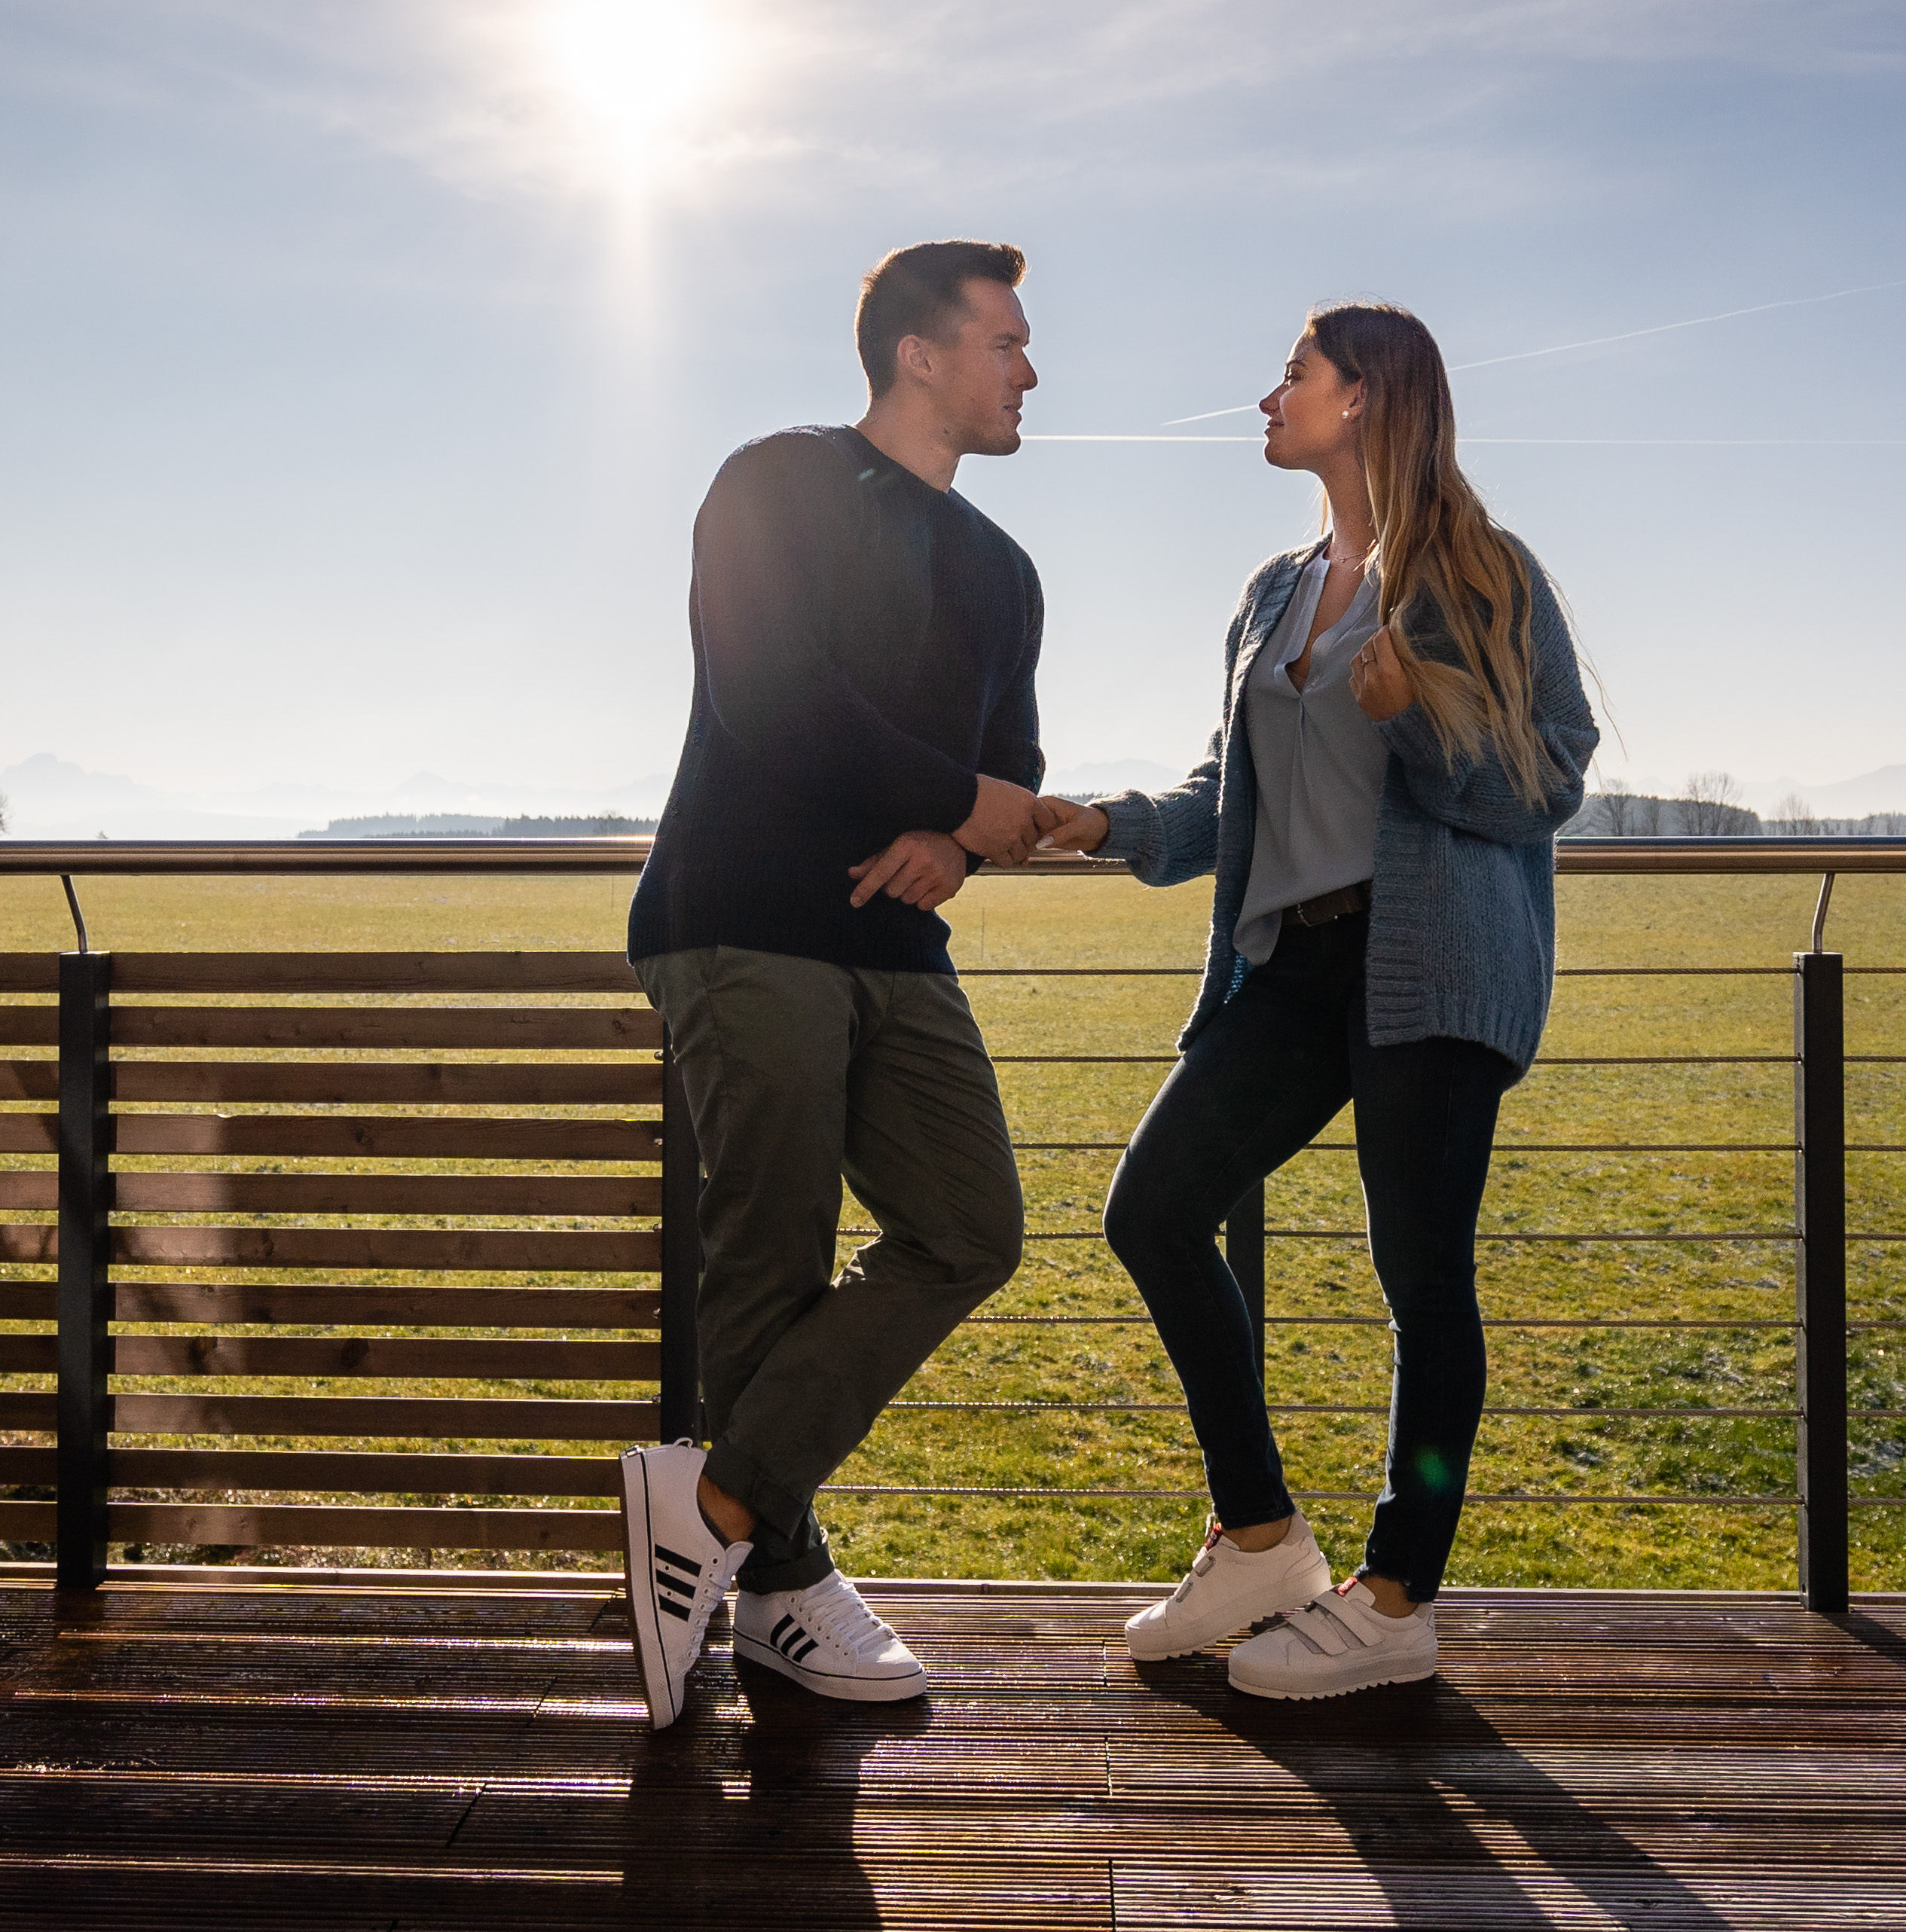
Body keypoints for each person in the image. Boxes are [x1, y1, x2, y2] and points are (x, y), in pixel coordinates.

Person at [1034, 301, 1593, 1699]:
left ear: (1367, 398)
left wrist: (1425, 716)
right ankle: (1263, 1537)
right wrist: (1104, 825)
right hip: (1287, 967)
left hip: (1433, 967)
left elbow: (1553, 778)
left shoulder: (1482, 572)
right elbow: (1236, 791)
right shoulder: (1274, 589)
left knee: (1421, 1281)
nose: (1268, 394)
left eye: (1294, 373)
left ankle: (1397, 1595)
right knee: (1152, 1209)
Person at [614, 239, 1052, 1729]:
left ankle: (718, 1506)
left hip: (893, 945)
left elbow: (1017, 773)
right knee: (770, 1253)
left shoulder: (1004, 569)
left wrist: (957, 837)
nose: (1028, 370)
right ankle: (783, 1596)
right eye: (1005, 340)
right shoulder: (771, 483)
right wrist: (956, 802)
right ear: (919, 353)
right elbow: (771, 696)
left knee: (971, 1225)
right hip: (740, 920)